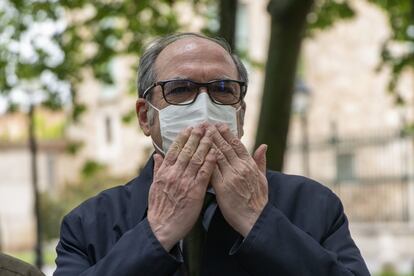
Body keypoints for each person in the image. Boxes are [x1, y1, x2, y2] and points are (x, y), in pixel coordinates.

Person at [54, 33, 370, 276]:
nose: (204, 107)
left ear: (240, 115)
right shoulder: (88, 224)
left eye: (222, 88)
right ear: (144, 117)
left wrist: (258, 222)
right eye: (179, 90)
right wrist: (156, 234)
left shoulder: (313, 204)